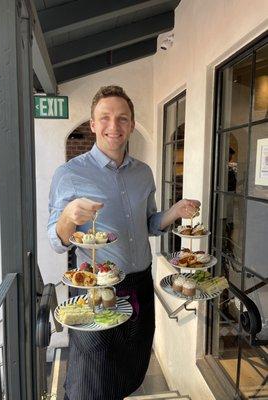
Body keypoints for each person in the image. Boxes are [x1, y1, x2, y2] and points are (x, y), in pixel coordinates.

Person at [48, 85, 200, 400]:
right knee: (91, 379)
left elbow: (148, 224)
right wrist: (67, 217)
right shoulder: (70, 174)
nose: (113, 126)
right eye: (104, 118)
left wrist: (174, 212)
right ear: (92, 124)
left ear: (131, 124)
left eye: (122, 118)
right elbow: (57, 241)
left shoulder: (144, 173)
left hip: (140, 285)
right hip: (95, 290)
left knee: (131, 370)